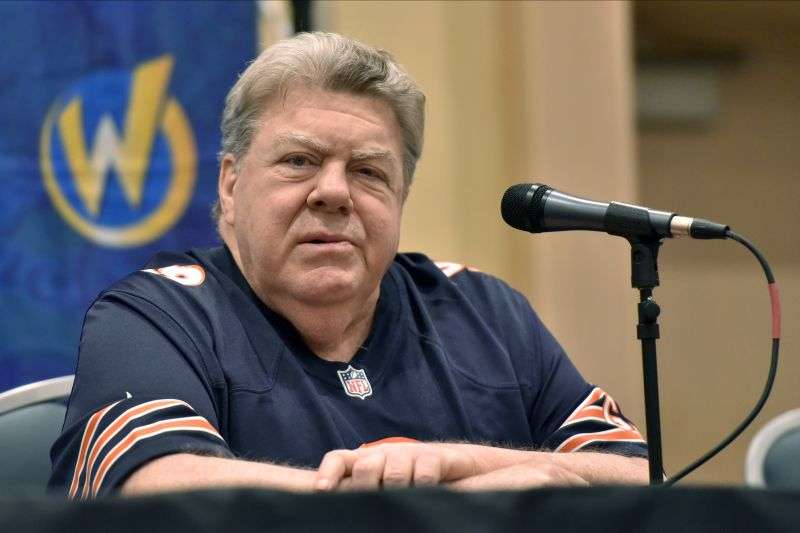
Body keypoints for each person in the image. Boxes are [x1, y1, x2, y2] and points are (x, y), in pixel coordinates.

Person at [49, 32, 648, 499]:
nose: (333, 193)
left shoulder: (483, 312)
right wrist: (437, 508)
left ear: (400, 200)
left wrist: (466, 462)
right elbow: (159, 490)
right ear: (231, 186)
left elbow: (641, 477)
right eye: (300, 161)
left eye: (367, 171)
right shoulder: (155, 313)